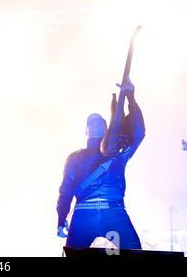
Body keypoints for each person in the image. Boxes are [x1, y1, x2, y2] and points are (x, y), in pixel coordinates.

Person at [56, 77, 145, 249]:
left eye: (99, 122)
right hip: (83, 213)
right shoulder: (74, 157)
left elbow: (139, 132)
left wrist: (130, 98)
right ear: (86, 130)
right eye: (91, 123)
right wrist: (61, 217)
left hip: (114, 211)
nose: (95, 125)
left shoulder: (119, 152)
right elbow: (65, 190)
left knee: (134, 251)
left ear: (107, 128)